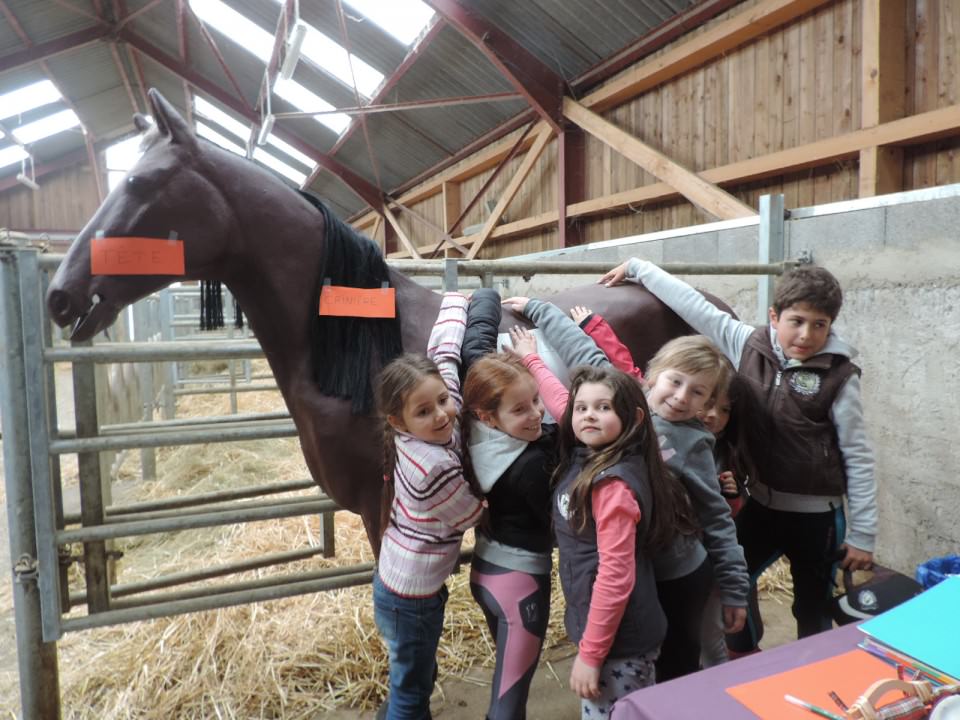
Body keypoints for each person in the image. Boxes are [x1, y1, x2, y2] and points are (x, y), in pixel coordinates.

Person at [600, 259, 877, 654]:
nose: (806, 334)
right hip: (760, 503)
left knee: (812, 605)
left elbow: (858, 454)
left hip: (817, 515)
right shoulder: (748, 344)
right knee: (729, 581)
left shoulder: (839, 376)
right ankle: (745, 655)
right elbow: (693, 304)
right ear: (774, 316)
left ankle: (814, 670)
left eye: (820, 324)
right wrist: (640, 268)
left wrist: (862, 533)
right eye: (796, 321)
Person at [373, 292, 485, 720]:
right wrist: (489, 493)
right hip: (413, 595)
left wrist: (457, 300)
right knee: (412, 692)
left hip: (401, 586)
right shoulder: (432, 468)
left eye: (443, 400)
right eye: (425, 411)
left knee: (412, 673)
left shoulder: (421, 433)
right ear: (398, 423)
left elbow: (444, 353)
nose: (441, 414)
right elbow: (471, 514)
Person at [551, 365, 675, 719]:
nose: (589, 414)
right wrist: (532, 362)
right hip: (614, 634)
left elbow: (616, 576)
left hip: (618, 645)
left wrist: (590, 655)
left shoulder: (612, 486)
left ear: (634, 418)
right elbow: (562, 403)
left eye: (603, 407)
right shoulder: (607, 456)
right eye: (581, 407)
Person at [643, 336, 748, 680]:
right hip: (639, 569)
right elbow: (591, 356)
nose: (681, 397)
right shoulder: (629, 409)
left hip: (680, 573)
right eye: (675, 381)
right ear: (654, 374)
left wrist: (734, 591)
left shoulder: (694, 443)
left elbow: (717, 519)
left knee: (677, 663)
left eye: (698, 392)